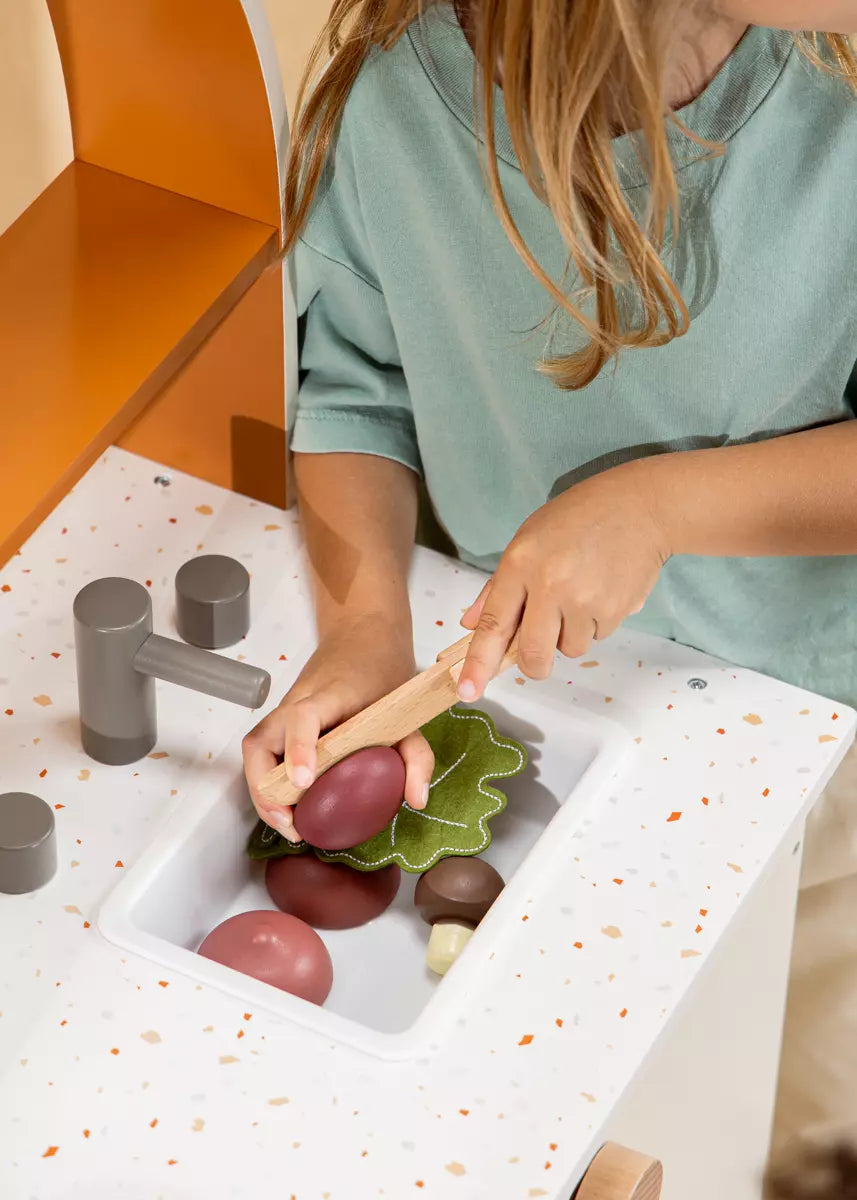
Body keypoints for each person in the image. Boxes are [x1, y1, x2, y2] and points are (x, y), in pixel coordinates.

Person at [242, 0, 857, 1147]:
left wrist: (659, 508)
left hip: (806, 738)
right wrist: (363, 627)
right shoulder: (399, 109)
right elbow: (352, 392)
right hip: (545, 714)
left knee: (796, 1073)